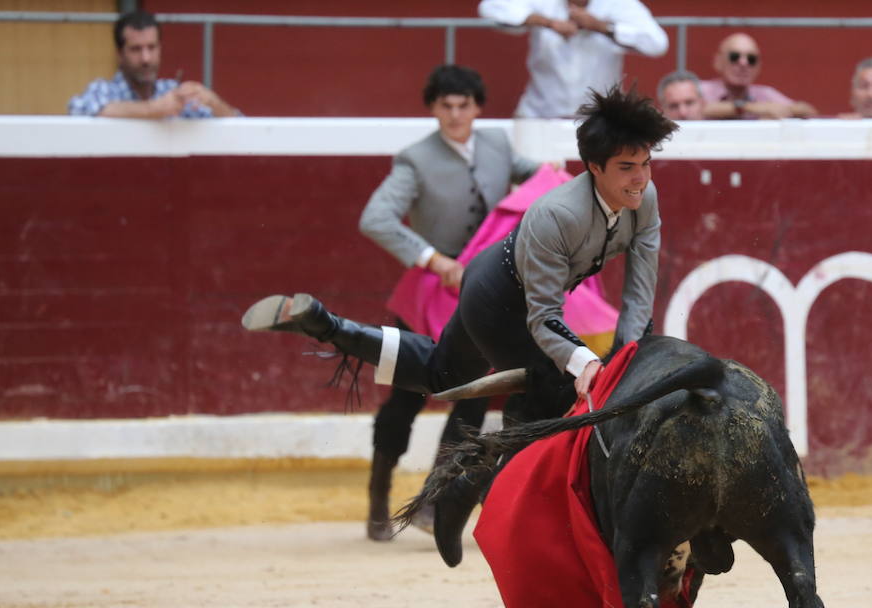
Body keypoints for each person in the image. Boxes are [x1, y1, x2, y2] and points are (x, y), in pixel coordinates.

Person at [244, 82, 675, 427]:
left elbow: (640, 290)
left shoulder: (644, 198)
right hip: (497, 297)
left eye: (645, 164)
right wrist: (587, 363)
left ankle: (325, 324)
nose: (640, 179)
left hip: (508, 282)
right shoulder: (556, 215)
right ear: (594, 167)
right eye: (626, 167)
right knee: (554, 386)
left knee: (440, 373)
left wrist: (625, 356)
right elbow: (543, 317)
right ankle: (511, 494)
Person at [355, 64, 542, 541]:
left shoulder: (497, 144)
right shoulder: (415, 159)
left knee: (474, 400)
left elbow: (535, 178)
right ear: (433, 108)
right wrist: (435, 260)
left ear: (478, 108)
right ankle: (379, 493)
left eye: (464, 105)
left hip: (480, 296)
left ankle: (435, 501)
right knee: (406, 396)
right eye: (446, 106)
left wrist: (558, 175)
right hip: (431, 294)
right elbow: (375, 218)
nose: (456, 115)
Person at [478, 0, 668, 118]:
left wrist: (601, 27)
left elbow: (657, 43)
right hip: (541, 114)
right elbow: (489, 7)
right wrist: (548, 23)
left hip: (600, 118)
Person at [68, 10, 239, 118]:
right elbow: (77, 109)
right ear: (120, 54)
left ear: (160, 48)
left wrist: (212, 101)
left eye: (152, 47)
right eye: (136, 49)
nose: (146, 58)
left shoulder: (172, 90)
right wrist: (153, 109)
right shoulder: (103, 90)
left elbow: (239, 126)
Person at [700, 33, 817, 120]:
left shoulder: (765, 94)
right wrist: (751, 108)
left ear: (758, 67)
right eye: (734, 57)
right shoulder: (700, 90)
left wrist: (779, 111)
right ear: (718, 61)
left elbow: (808, 111)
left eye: (751, 59)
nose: (743, 63)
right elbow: (700, 109)